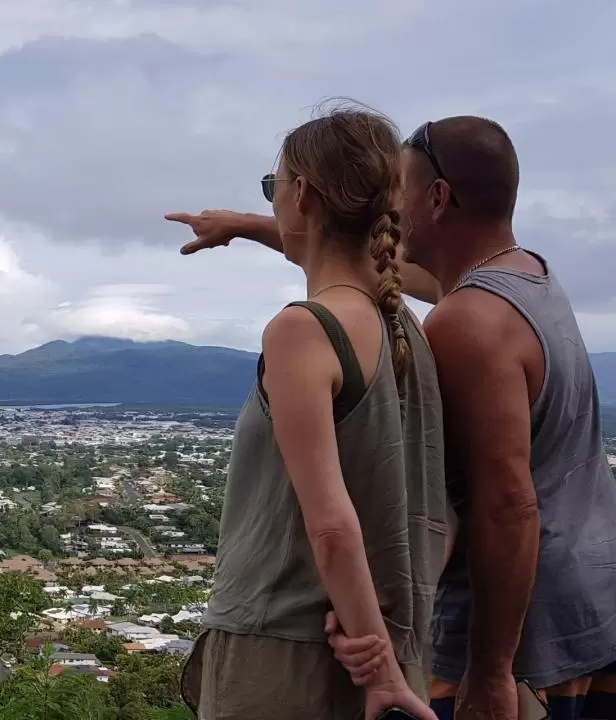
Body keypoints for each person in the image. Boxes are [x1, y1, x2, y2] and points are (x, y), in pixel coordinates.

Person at [169, 116, 616, 720]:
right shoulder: (469, 301)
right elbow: (444, 508)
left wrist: (484, 671)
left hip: (344, 643)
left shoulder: (447, 323)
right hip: (536, 617)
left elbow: (500, 507)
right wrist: (251, 226)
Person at [177, 106, 448, 720]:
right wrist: (384, 646)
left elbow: (330, 525)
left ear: (302, 193)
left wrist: (374, 666)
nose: (273, 203)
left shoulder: (304, 331)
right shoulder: (405, 325)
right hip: (383, 639)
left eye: (273, 188)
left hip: (287, 649)